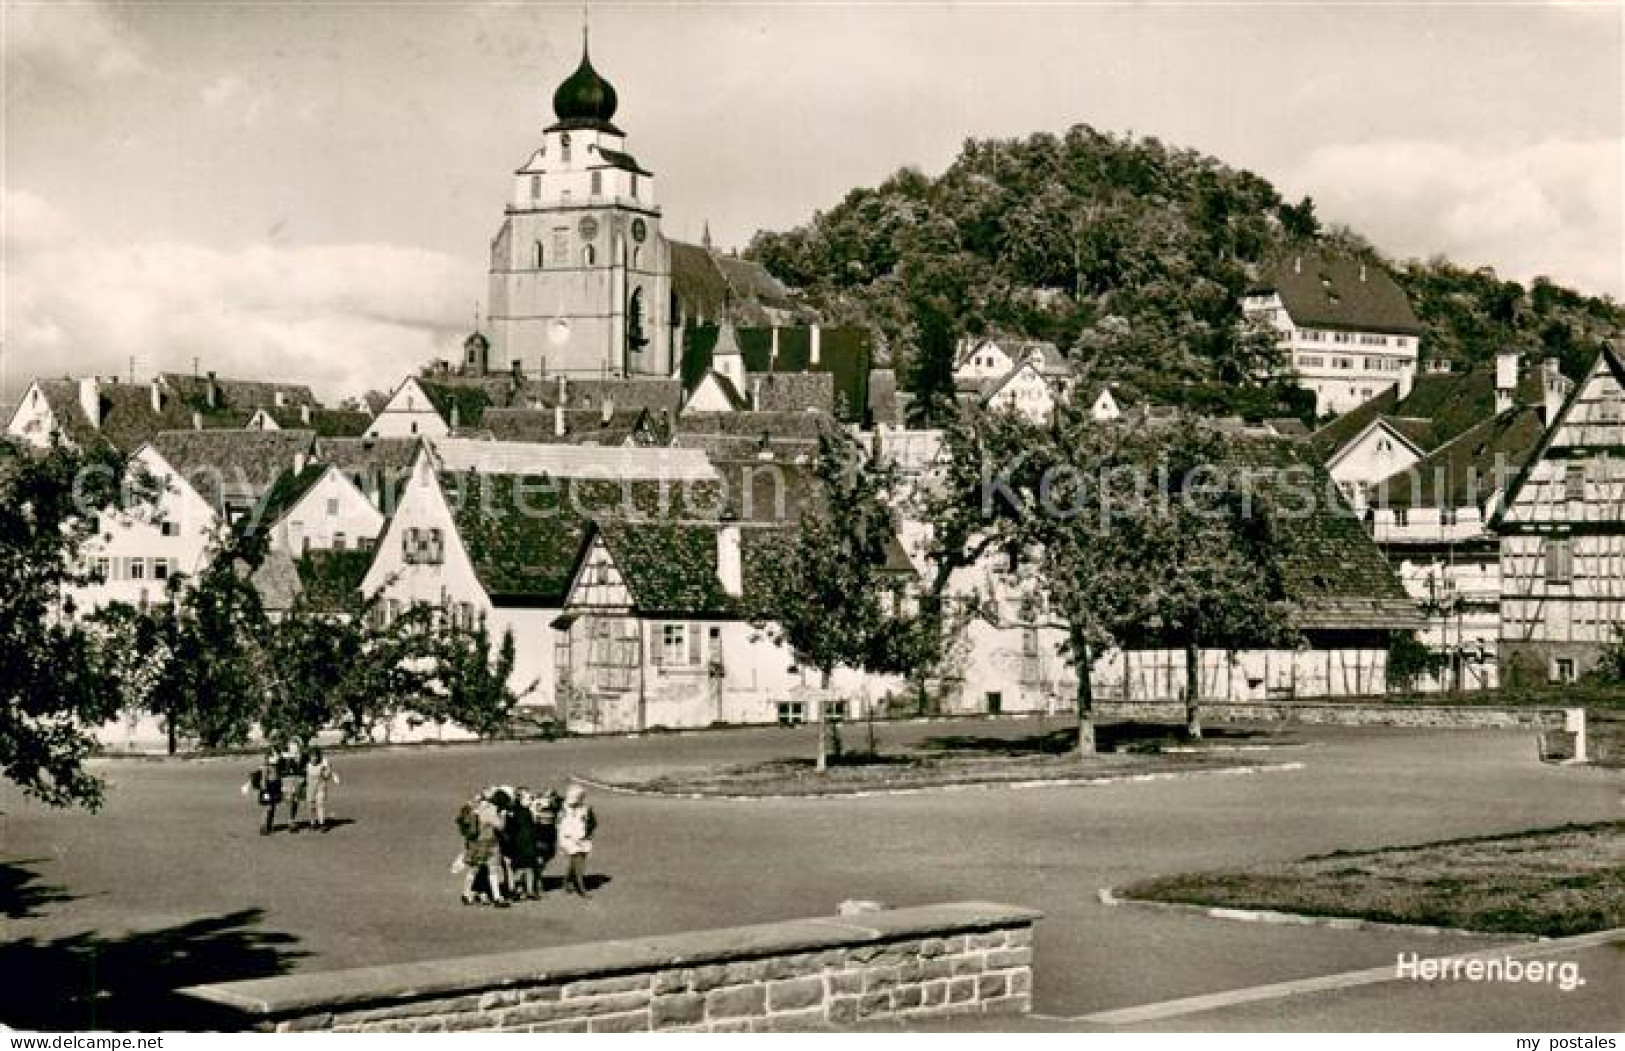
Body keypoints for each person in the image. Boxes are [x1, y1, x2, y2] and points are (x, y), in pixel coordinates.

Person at [456, 799, 510, 907]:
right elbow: (500, 825)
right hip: (490, 844)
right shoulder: (489, 810)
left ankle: (466, 894)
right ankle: (497, 897)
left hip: (475, 844)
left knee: (473, 870)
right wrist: (502, 815)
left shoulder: (472, 809)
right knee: (493, 871)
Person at [557, 784, 597, 898]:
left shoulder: (586, 809)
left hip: (582, 838)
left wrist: (588, 833)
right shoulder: (563, 808)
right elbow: (562, 824)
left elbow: (592, 823)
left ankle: (566, 882)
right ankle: (581, 889)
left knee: (575, 862)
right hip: (568, 838)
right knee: (578, 862)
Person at [507, 789, 541, 900]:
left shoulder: (520, 811)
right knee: (523, 868)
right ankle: (517, 890)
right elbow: (528, 829)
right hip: (522, 845)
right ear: (520, 799)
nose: (530, 800)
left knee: (528, 868)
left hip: (525, 844)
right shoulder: (521, 812)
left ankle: (527, 891)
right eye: (528, 798)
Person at [243, 750, 283, 835]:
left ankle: (268, 825)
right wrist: (265, 792)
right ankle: (263, 826)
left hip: (275, 787)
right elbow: (264, 780)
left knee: (272, 807)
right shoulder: (265, 767)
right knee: (268, 808)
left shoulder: (276, 766)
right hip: (268, 788)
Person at [305, 747, 340, 831]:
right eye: (312, 756)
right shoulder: (307, 765)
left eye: (315, 756)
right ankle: (312, 823)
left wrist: (331, 774)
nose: (314, 758)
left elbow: (328, 775)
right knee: (311, 806)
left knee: (320, 805)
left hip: (320, 787)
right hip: (310, 788)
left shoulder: (322, 764)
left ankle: (322, 823)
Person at [281, 742, 309, 832]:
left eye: (296, 749)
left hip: (299, 781)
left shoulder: (304, 757)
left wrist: (304, 778)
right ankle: (290, 821)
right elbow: (282, 770)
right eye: (292, 749)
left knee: (295, 801)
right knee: (290, 801)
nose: (295, 751)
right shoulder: (286, 759)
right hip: (288, 781)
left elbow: (307, 768)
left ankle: (291, 820)